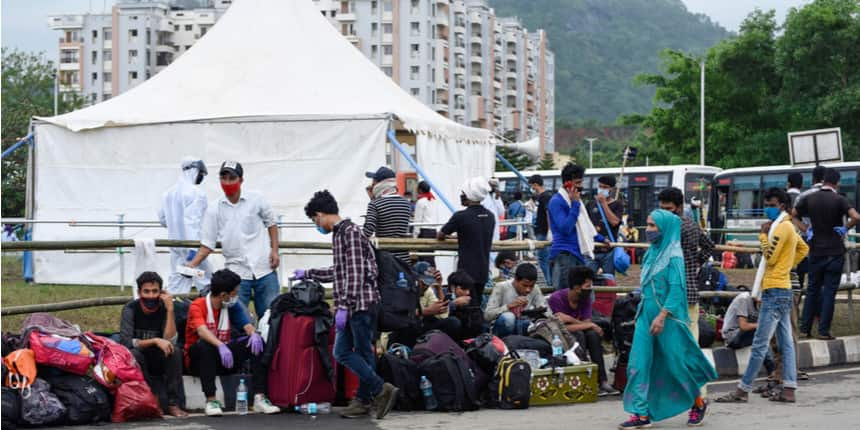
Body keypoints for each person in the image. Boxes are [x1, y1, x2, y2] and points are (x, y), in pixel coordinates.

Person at [295, 190, 399, 419]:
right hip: (354, 304)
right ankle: (368, 396)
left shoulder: (349, 233)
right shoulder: (341, 233)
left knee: (351, 352)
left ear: (321, 214)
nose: (317, 225)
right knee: (352, 352)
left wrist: (343, 305)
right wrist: (309, 273)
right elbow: (340, 271)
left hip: (359, 305)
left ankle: (377, 391)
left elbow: (354, 274)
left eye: (315, 220)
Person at [619, 209, 716, 429]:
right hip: (645, 315)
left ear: (666, 228)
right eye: (648, 224)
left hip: (668, 319)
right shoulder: (651, 253)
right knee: (638, 363)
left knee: (675, 365)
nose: (649, 230)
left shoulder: (674, 256)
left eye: (653, 226)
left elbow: (676, 291)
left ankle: (698, 403)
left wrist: (662, 317)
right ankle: (641, 414)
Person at [716, 188, 809, 404]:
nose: (768, 208)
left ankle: (742, 390)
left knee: (760, 343)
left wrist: (762, 236)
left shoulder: (780, 228)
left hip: (775, 290)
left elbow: (770, 256)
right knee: (785, 342)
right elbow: (803, 249)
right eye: (767, 203)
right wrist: (788, 265)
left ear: (783, 206)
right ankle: (789, 389)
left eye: (772, 204)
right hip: (782, 288)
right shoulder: (789, 226)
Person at [187, 161, 280, 318]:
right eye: (224, 178)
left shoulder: (256, 199)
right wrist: (191, 265)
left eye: (232, 178)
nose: (228, 182)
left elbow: (271, 223)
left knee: (272, 318)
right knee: (237, 321)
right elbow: (208, 244)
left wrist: (275, 251)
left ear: (241, 180)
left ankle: (270, 342)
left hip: (264, 267)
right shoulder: (213, 208)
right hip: (236, 272)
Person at [184, 269, 280, 417]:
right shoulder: (198, 305)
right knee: (205, 345)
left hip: (224, 359)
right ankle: (211, 401)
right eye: (235, 292)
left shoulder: (230, 305)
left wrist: (254, 334)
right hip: (199, 362)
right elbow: (202, 331)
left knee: (256, 342)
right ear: (224, 295)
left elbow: (247, 326)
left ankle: (259, 398)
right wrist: (220, 345)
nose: (237, 295)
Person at [794, 168, 860, 339]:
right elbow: (856, 217)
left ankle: (805, 329)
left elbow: (792, 216)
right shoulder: (840, 200)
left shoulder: (810, 198)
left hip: (815, 251)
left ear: (823, 181)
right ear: (837, 183)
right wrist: (845, 227)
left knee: (812, 290)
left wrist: (805, 229)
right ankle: (823, 330)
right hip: (834, 252)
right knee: (830, 292)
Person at [119, 272, 188, 417]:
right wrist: (155, 340)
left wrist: (170, 310)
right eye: (146, 291)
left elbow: (171, 341)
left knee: (174, 351)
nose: (151, 296)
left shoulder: (164, 308)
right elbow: (126, 342)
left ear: (161, 292)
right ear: (139, 292)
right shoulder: (130, 309)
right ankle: (152, 399)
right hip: (139, 358)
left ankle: (173, 403)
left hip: (158, 357)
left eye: (155, 291)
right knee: (134, 353)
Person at [547, 266, 618, 396]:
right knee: (579, 334)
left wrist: (573, 320)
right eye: (587, 286)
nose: (589, 289)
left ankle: (602, 380)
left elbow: (586, 323)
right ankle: (584, 377)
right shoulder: (556, 299)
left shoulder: (585, 299)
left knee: (592, 335)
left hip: (577, 329)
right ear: (576, 287)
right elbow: (561, 328)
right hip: (560, 336)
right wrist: (585, 324)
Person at [658, 187, 714, 349]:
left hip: (672, 292)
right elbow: (709, 246)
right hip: (690, 290)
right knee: (690, 337)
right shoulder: (692, 224)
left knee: (674, 340)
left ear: (679, 207)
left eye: (668, 209)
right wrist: (695, 262)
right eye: (662, 209)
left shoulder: (671, 229)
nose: (665, 213)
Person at [438, 177, 495, 306]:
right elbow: (476, 233)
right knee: (477, 303)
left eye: (463, 194)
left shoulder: (460, 216)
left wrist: (449, 237)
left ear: (468, 195)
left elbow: (441, 234)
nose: (461, 196)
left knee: (465, 305)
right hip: (483, 269)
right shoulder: (490, 216)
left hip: (466, 271)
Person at [158, 157, 212, 294]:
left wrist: (176, 228)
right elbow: (192, 222)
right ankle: (208, 313)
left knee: (176, 284)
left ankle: (172, 312)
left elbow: (163, 219)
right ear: (195, 171)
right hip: (194, 249)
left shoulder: (167, 193)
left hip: (176, 248)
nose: (201, 177)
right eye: (201, 174)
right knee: (205, 282)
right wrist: (193, 251)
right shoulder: (196, 193)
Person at [548, 163, 590, 290]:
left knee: (582, 296)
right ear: (567, 183)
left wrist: (601, 239)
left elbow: (584, 226)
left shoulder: (576, 202)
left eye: (581, 182)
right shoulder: (557, 201)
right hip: (564, 255)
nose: (581, 186)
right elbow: (565, 228)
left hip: (577, 254)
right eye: (577, 183)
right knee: (566, 296)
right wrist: (575, 205)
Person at [363, 166, 413, 264]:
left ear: (380, 184)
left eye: (374, 181)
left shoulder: (375, 204)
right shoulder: (406, 203)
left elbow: (368, 231)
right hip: (404, 259)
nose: (371, 185)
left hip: (385, 259)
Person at [485, 263, 550, 337]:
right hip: (501, 328)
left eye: (531, 286)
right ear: (516, 280)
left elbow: (547, 312)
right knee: (509, 317)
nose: (528, 290)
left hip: (523, 325)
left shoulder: (535, 289)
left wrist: (539, 310)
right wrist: (509, 306)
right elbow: (487, 315)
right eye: (524, 285)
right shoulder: (501, 287)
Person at [721, 291, 776, 375]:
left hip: (748, 335)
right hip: (732, 335)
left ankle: (777, 367)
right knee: (761, 332)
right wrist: (763, 325)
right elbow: (743, 326)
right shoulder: (743, 299)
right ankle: (772, 370)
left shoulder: (763, 304)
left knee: (768, 331)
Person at [587, 175, 624, 275]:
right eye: (600, 186)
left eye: (605, 187)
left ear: (611, 189)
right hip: (592, 249)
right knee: (588, 277)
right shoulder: (591, 204)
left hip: (609, 250)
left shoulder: (617, 205)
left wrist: (604, 204)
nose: (602, 189)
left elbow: (615, 222)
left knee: (608, 279)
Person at [529, 174, 554, 282]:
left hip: (544, 232)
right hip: (540, 231)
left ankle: (548, 283)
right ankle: (548, 282)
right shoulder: (541, 197)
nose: (532, 189)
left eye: (532, 186)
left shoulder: (545, 196)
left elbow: (549, 212)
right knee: (543, 259)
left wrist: (550, 230)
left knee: (544, 259)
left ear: (535, 184)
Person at [447, 270, 484, 338]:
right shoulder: (444, 296)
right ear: (453, 288)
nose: (467, 292)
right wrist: (454, 304)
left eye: (469, 289)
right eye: (463, 289)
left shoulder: (471, 298)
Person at [413, 181, 437, 264]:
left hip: (424, 231)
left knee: (423, 256)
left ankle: (426, 275)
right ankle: (433, 274)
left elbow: (417, 220)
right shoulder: (433, 200)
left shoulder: (420, 202)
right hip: (433, 231)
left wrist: (415, 236)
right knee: (430, 256)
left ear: (420, 190)